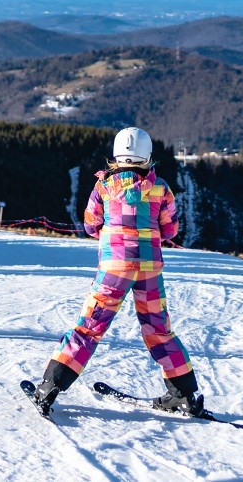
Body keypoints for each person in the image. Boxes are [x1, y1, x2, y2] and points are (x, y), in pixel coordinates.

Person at [32, 127, 201, 416]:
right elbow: (171, 228)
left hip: (114, 266)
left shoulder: (103, 187)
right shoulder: (160, 187)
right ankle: (183, 393)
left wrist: (109, 230)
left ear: (116, 155)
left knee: (90, 326)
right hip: (149, 267)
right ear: (147, 154)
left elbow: (89, 223)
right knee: (159, 329)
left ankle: (51, 386)